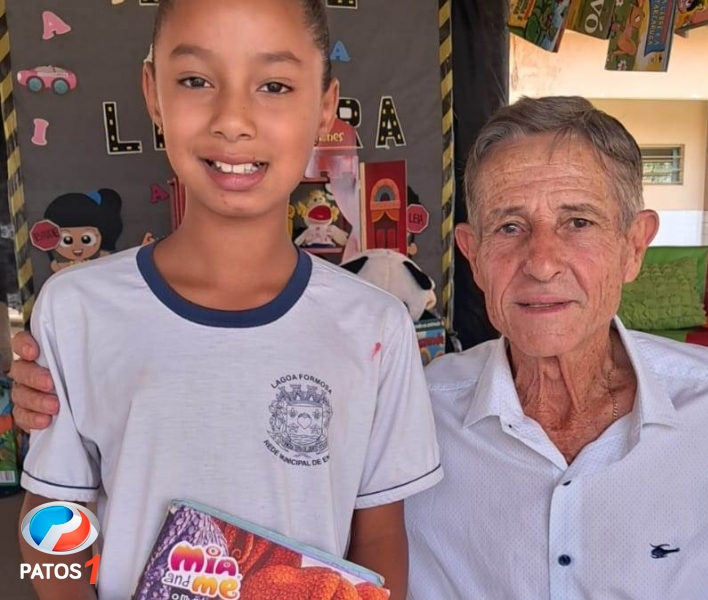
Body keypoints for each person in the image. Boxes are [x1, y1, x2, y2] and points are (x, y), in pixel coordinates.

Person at [13, 97, 708, 597]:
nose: (542, 259)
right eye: (509, 227)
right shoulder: (404, 404)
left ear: (636, 247)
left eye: (580, 222)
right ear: (471, 252)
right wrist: (75, 391)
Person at [13, 1, 441, 598]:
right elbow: (45, 529)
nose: (233, 119)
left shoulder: (375, 327)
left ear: (324, 105)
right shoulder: (75, 310)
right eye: (195, 80)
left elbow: (379, 540)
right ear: (153, 93)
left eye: (274, 85)